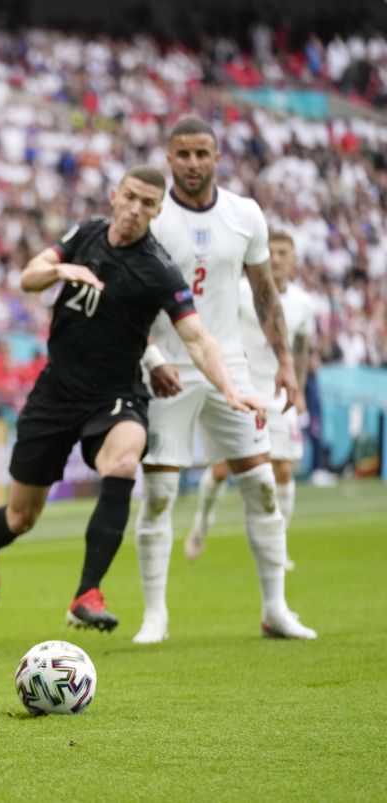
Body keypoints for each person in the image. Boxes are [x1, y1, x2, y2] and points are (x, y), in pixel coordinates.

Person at [0, 166, 262, 633]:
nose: (135, 209)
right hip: (56, 392)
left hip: (116, 393)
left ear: (158, 211)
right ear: (114, 195)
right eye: (130, 197)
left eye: (147, 203)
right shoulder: (86, 233)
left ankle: (87, 594)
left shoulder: (159, 270)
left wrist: (229, 388)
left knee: (124, 462)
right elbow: (28, 277)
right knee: (22, 518)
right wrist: (60, 270)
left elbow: (197, 337)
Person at [134, 117, 316, 644]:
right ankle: (155, 615)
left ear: (217, 157)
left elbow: (264, 293)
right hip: (167, 367)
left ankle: (275, 609)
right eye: (183, 154)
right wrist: (151, 358)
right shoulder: (154, 216)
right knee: (161, 492)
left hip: (229, 367)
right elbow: (131, 297)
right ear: (169, 158)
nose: (193, 163)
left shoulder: (244, 215)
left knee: (261, 484)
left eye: (202, 154)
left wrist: (284, 361)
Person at [186, 230, 314, 567]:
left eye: (284, 252)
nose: (277, 258)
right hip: (242, 389)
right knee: (221, 469)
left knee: (283, 470)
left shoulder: (304, 303)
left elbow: (301, 347)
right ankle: (202, 523)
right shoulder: (241, 292)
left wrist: (299, 388)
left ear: (294, 259)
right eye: (272, 251)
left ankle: (277, 547)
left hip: (280, 395)